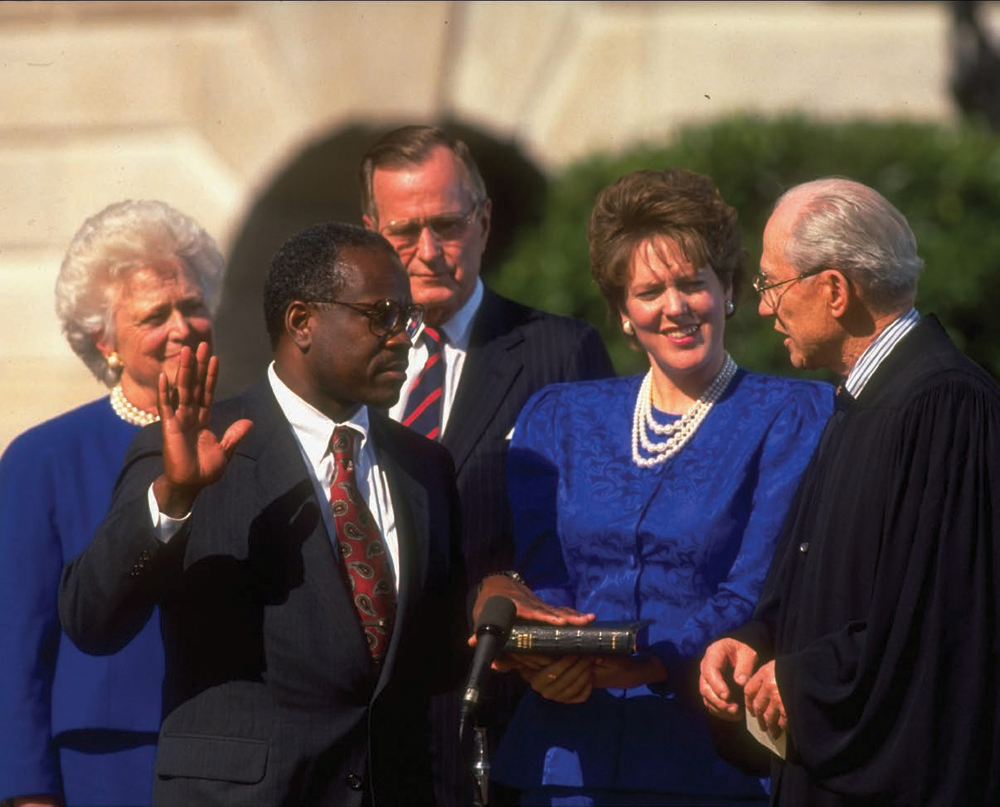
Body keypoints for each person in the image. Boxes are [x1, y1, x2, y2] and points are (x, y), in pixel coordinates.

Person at [58, 222, 469, 806]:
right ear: (302, 322)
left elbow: (435, 657)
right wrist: (173, 498)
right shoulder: (195, 448)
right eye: (381, 316)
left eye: (407, 318)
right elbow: (90, 620)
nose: (404, 338)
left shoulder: (425, 467)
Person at [477, 168, 834, 806]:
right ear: (621, 312)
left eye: (693, 283)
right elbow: (542, 572)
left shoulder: (793, 415)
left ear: (726, 290)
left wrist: (648, 664)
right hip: (563, 760)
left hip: (704, 758)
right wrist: (550, 657)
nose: (675, 307)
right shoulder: (559, 415)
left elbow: (754, 587)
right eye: (649, 290)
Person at [699, 177, 1000, 806]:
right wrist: (757, 643)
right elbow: (831, 590)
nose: (761, 308)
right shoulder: (862, 403)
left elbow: (941, 629)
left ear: (834, 290)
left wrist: (803, 681)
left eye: (771, 286)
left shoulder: (944, 405)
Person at [359, 124, 615, 805]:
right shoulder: (346, 369)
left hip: (505, 724)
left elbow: (598, 540)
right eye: (403, 232)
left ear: (483, 219)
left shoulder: (560, 354)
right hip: (368, 742)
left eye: (447, 224)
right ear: (369, 231)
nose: (428, 252)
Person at [0, 200, 225, 807]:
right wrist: (26, 792)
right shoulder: (42, 457)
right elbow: (15, 645)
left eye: (193, 306)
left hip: (238, 754)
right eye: (156, 315)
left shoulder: (244, 438)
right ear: (106, 340)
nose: (182, 326)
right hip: (107, 760)